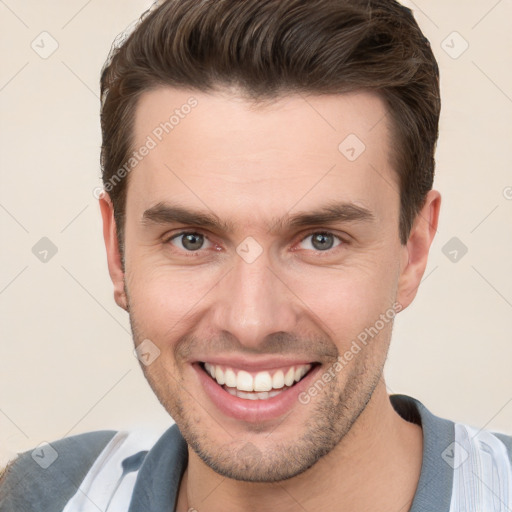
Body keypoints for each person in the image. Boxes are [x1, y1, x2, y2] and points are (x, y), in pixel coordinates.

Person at [1, 0, 511, 510]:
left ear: (413, 252)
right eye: (191, 240)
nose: (251, 321)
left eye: (320, 240)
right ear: (117, 252)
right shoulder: (45, 493)